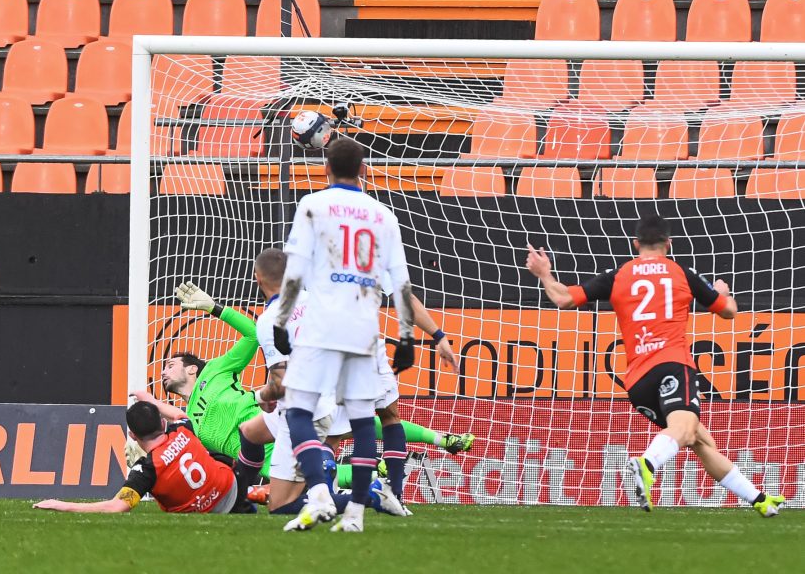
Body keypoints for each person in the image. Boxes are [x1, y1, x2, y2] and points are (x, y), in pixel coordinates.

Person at [526, 213, 785, 517]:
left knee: (700, 439)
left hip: (637, 382)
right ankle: (647, 465)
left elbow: (564, 299)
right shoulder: (681, 273)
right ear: (668, 243)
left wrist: (544, 273)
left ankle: (760, 500)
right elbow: (728, 311)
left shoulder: (619, 274)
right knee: (685, 430)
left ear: (636, 243)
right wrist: (723, 293)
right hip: (672, 364)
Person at [239, 248, 469, 514]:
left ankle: (371, 494)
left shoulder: (334, 259)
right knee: (257, 432)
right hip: (350, 358)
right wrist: (438, 335)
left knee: (332, 440)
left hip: (324, 380)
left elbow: (282, 374)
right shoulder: (341, 258)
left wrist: (263, 396)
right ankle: (363, 493)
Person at [272, 137, 416, 532]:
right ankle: (354, 515)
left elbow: (295, 270)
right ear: (364, 170)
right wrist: (406, 337)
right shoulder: (384, 215)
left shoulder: (312, 205)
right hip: (363, 329)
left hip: (320, 326)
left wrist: (281, 322)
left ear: (325, 169)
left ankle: (319, 492)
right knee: (364, 420)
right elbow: (401, 282)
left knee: (298, 411)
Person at [129, 286, 273, 480]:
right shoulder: (189, 423)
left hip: (275, 431)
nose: (163, 372)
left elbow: (253, 335)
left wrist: (214, 308)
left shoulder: (215, 369)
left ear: (192, 369)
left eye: (171, 365)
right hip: (270, 468)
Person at [34, 401, 244, 514]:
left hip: (209, 512)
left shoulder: (145, 470)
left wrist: (64, 505)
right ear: (163, 424)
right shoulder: (182, 430)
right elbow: (179, 415)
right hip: (231, 489)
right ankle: (251, 491)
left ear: (132, 435)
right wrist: (150, 400)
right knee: (211, 454)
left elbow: (117, 506)